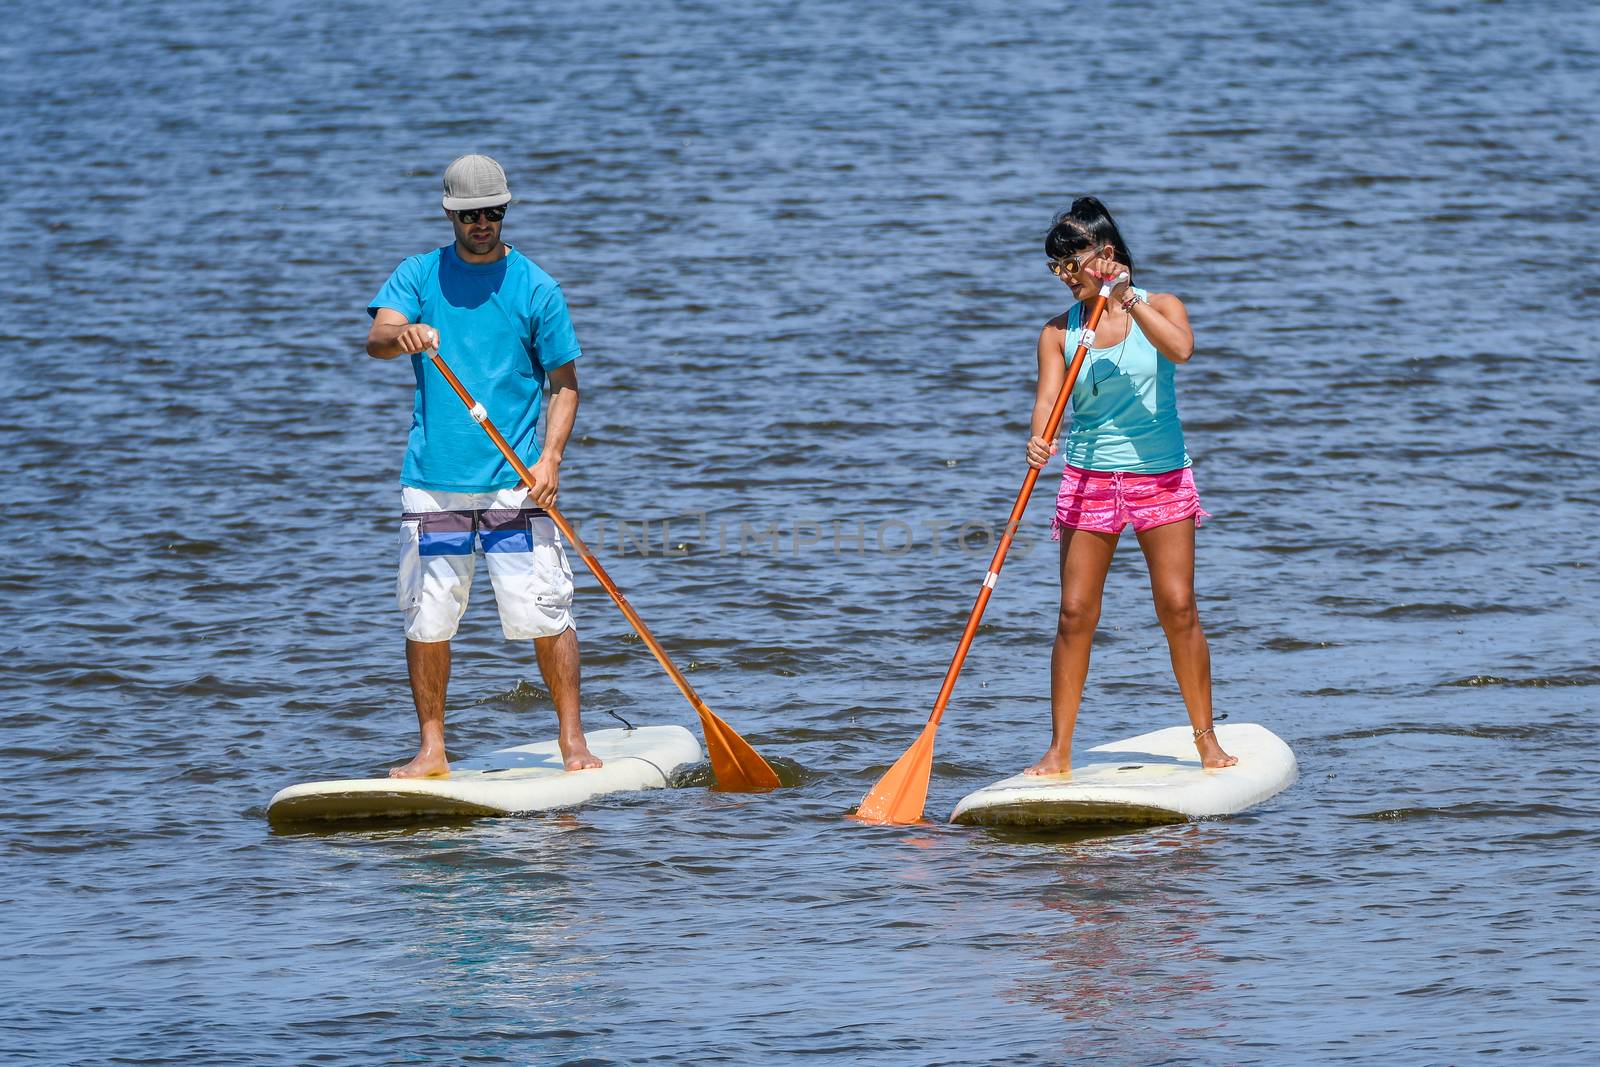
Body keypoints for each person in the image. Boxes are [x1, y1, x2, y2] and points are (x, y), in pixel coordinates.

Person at [365, 154, 601, 777]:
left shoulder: (535, 287)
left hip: (514, 486)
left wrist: (550, 461)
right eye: (470, 214)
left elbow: (566, 384)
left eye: (492, 212)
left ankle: (573, 743)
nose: (482, 224)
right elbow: (377, 338)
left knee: (544, 609)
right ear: (451, 215)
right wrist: (404, 333)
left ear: (504, 213)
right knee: (430, 614)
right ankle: (432, 748)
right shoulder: (418, 276)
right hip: (435, 486)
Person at [1022, 197, 1237, 775]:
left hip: (1161, 477)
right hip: (1088, 479)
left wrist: (1129, 299)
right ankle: (1059, 749)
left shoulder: (1161, 305)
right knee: (1074, 613)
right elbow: (1047, 405)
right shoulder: (1057, 332)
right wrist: (1038, 440)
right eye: (1057, 268)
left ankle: (1206, 740)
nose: (1065, 278)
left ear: (1105, 256)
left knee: (1178, 607)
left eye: (1073, 264)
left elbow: (1181, 350)